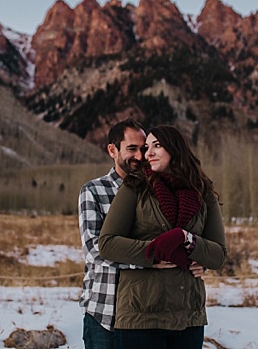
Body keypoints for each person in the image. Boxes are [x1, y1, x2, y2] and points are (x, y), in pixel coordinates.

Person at [98, 125, 227, 347]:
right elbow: (107, 243)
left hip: (188, 316)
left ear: (175, 149)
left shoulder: (203, 191)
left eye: (156, 146)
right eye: (146, 147)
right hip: (141, 315)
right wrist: (155, 253)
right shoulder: (135, 186)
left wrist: (187, 240)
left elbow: (218, 255)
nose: (148, 154)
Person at [79, 120, 147, 347]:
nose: (140, 156)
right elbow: (94, 249)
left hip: (147, 314)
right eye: (132, 148)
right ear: (112, 150)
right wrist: (150, 259)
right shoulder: (94, 191)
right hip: (105, 312)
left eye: (144, 149)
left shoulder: (155, 192)